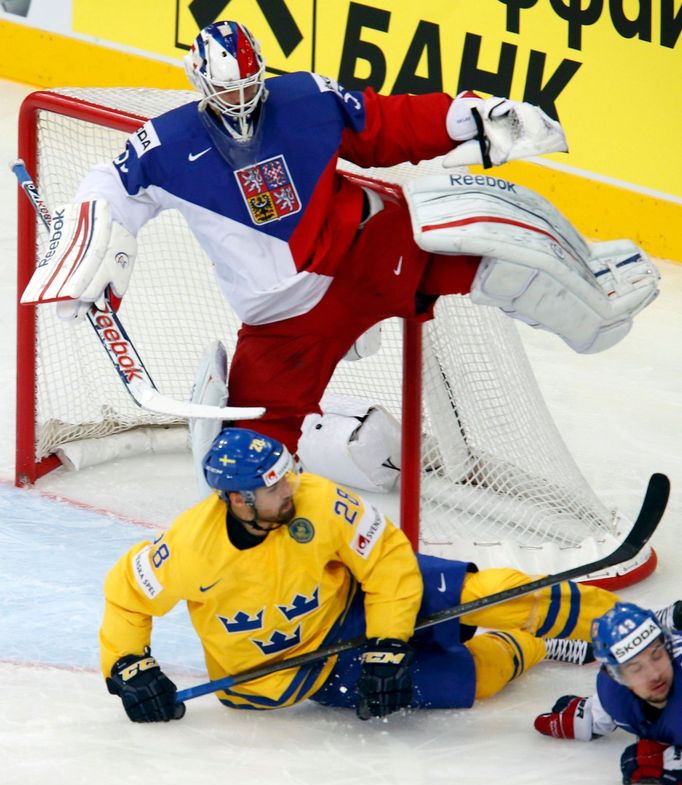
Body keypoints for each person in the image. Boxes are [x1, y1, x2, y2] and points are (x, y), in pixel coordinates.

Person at [25, 20, 659, 476]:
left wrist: (467, 117)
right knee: (248, 462)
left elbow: (385, 125)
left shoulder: (306, 97)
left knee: (485, 251)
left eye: (251, 85)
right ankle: (292, 556)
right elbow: (109, 184)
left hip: (362, 255)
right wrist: (89, 245)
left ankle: (592, 290)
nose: (243, 101)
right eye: (229, 91)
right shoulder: (165, 144)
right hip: (280, 325)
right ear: (200, 83)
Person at [101, 426, 625, 724]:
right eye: (274, 487)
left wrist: (388, 642)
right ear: (239, 499)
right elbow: (127, 598)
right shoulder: (190, 549)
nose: (290, 488)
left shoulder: (317, 500)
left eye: (286, 476)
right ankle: (535, 644)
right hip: (306, 668)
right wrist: (129, 666)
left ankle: (627, 627)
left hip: (356, 600)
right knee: (474, 679)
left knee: (490, 593)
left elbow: (388, 563)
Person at [534, 601, 682, 785]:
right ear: (615, 675)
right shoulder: (612, 692)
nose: (655, 674)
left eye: (657, 656)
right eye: (636, 668)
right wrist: (598, 715)